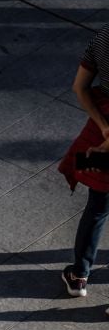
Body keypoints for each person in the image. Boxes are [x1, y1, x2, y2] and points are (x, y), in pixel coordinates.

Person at [62, 22, 109, 298]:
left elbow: (79, 87)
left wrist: (103, 127)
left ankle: (79, 275)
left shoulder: (104, 36)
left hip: (100, 128)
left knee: (98, 206)